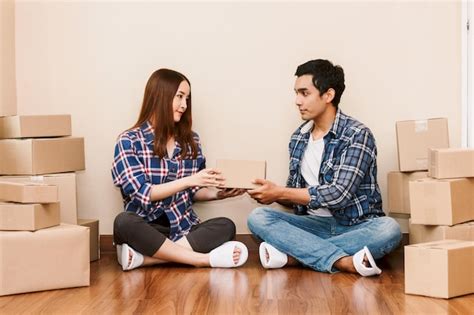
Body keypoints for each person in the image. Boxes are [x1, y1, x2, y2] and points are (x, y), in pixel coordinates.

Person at [247, 59, 402, 276]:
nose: (297, 101)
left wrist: (280, 192)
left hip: (354, 226)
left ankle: (297, 255)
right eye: (296, 93)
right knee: (258, 217)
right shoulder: (299, 138)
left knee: (389, 230)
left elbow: (338, 194)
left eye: (304, 93)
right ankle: (341, 261)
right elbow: (295, 194)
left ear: (328, 95)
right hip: (312, 224)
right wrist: (270, 193)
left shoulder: (357, 135)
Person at [112, 68, 248, 271]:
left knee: (226, 226)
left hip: (183, 227)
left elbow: (193, 192)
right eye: (180, 97)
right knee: (123, 222)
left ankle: (145, 259)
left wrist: (219, 194)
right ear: (160, 96)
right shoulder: (129, 140)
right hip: (147, 227)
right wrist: (190, 180)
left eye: (187, 98)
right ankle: (203, 259)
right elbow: (143, 194)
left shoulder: (191, 140)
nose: (185, 105)